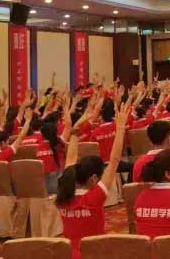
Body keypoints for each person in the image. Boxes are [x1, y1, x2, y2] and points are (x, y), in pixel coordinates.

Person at [56, 98, 129, 259]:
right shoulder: (94, 198)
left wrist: (75, 130)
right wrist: (120, 128)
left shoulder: (63, 192)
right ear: (94, 179)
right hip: (95, 254)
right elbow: (114, 161)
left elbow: (71, 157)